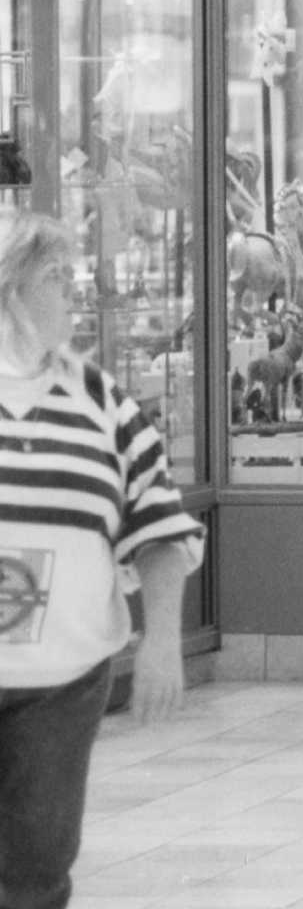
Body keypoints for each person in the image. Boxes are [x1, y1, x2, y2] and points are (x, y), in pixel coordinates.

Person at [0, 209, 205, 908]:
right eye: (56, 277)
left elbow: (160, 529)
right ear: (9, 286)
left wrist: (162, 645)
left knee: (36, 868)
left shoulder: (102, 404)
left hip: (63, 682)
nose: (74, 292)